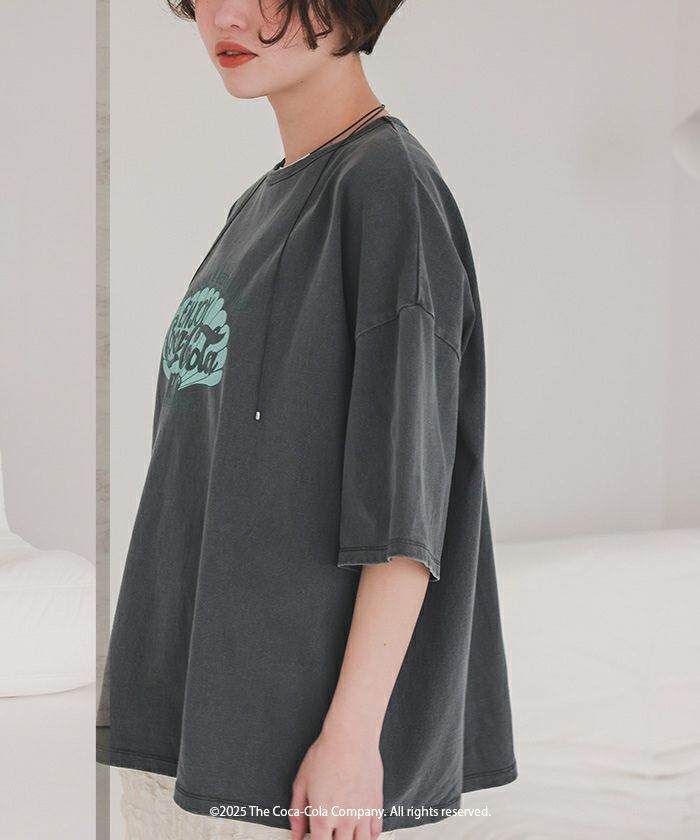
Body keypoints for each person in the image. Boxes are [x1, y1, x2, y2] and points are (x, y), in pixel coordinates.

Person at [96, 1, 518, 838]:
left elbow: (407, 506)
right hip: (189, 732)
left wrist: (352, 739)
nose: (224, 14)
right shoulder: (259, 206)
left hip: (293, 770)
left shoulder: (388, 188)